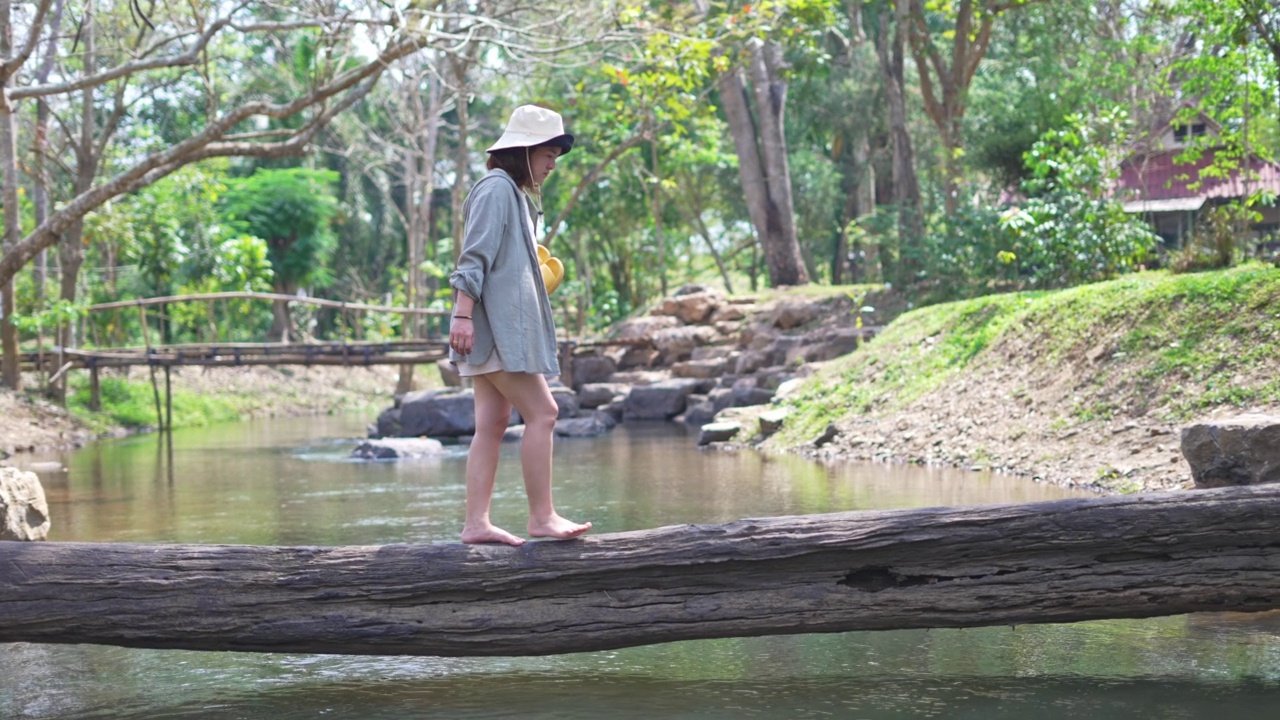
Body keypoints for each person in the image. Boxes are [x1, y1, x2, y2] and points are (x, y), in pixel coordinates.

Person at [447, 105, 593, 546]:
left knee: (492, 424)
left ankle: (476, 524)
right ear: (525, 150)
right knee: (544, 413)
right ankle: (542, 517)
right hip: (495, 335)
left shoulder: (510, 194)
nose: (552, 165)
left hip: (495, 332)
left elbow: (503, 265)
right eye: (548, 154)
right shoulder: (495, 190)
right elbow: (474, 257)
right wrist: (462, 315)